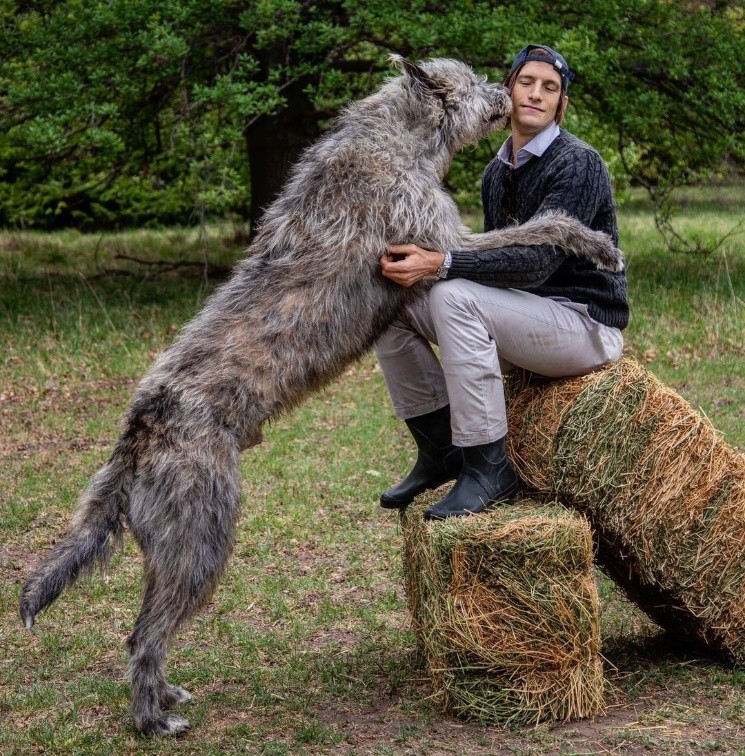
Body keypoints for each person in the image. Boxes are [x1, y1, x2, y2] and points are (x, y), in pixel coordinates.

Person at [374, 44, 629, 521]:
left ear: (560, 105)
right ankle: (442, 449)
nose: (535, 94)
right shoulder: (497, 172)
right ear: (508, 91)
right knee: (387, 300)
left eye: (549, 89)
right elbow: (496, 263)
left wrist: (439, 262)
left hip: (584, 325)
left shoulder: (578, 163)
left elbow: (533, 264)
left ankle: (490, 468)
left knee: (452, 294)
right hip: (525, 319)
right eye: (526, 83)